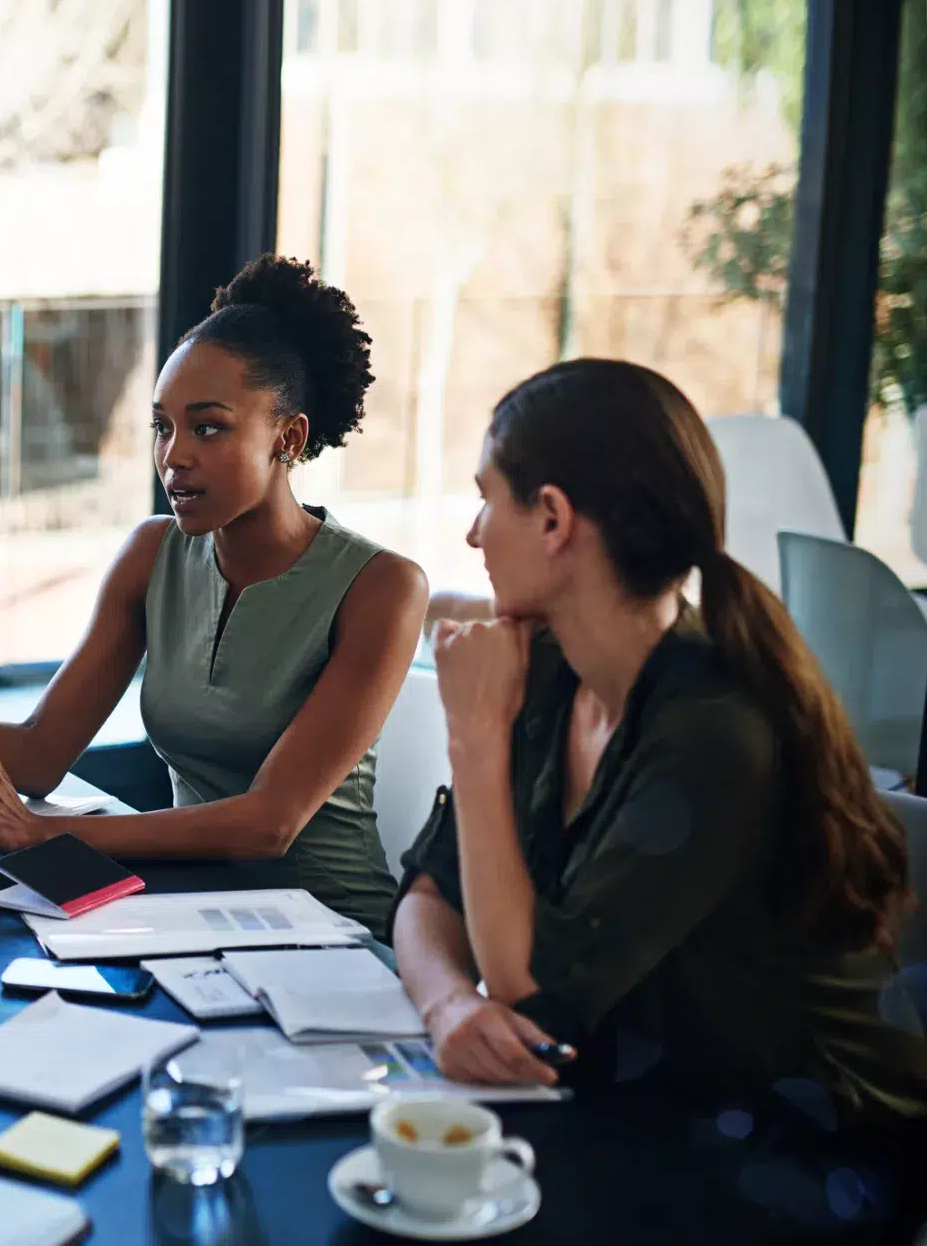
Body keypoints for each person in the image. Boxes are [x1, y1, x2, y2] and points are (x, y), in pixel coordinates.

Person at [0, 255, 428, 937]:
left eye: (208, 427)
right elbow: (39, 755)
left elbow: (268, 824)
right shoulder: (153, 555)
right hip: (193, 922)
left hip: (335, 940)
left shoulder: (382, 586)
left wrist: (48, 834)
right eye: (162, 426)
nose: (174, 455)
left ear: (288, 438)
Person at [391, 358, 927, 1129]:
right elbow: (427, 892)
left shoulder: (715, 731)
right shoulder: (544, 664)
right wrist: (447, 1006)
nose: (473, 533)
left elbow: (536, 993)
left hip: (805, 1149)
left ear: (552, 518)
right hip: (642, 1107)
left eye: (486, 498)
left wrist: (474, 738)